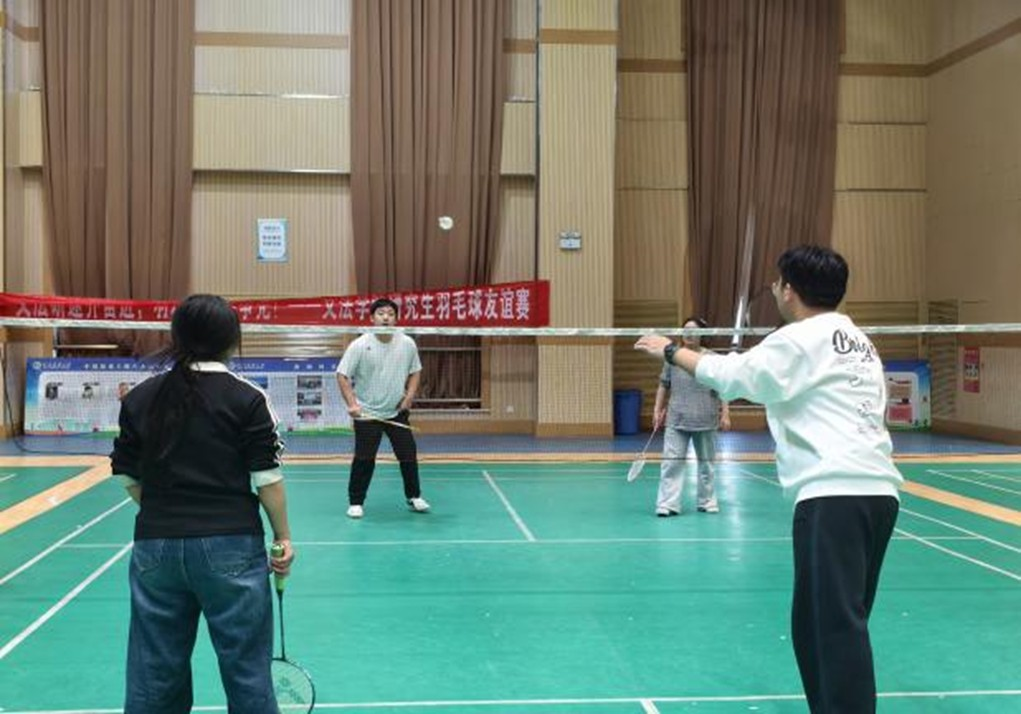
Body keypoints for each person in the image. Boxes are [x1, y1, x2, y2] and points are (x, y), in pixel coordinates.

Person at [635, 245, 902, 714]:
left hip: (834, 495)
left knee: (835, 627)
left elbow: (731, 376)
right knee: (813, 624)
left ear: (789, 290)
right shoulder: (857, 340)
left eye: (778, 283)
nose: (776, 290)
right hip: (875, 493)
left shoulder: (799, 339)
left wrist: (671, 351)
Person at [111, 294, 295, 714]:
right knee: (247, 670)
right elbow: (267, 479)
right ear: (232, 340)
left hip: (155, 547)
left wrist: (159, 509)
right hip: (232, 547)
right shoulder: (247, 397)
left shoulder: (140, 397)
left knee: (153, 673)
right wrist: (283, 537)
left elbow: (125, 472)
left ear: (176, 337)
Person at [337, 297, 430, 519]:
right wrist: (352, 404)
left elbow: (416, 371)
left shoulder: (407, 343)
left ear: (396, 318)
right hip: (367, 413)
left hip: (396, 412)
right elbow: (342, 375)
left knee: (408, 454)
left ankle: (414, 496)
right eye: (381, 313)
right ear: (372, 318)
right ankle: (356, 502)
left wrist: (409, 396)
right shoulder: (360, 345)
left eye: (390, 313)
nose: (386, 317)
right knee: (364, 458)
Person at [652, 316, 731, 516]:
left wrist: (726, 414)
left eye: (694, 331)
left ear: (702, 334)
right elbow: (663, 385)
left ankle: (707, 501)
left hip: (706, 419)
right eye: (685, 330)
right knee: (671, 463)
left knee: (707, 465)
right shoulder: (672, 357)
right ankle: (667, 504)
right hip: (676, 419)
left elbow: (722, 388)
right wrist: (657, 410)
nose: (689, 334)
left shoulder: (712, 358)